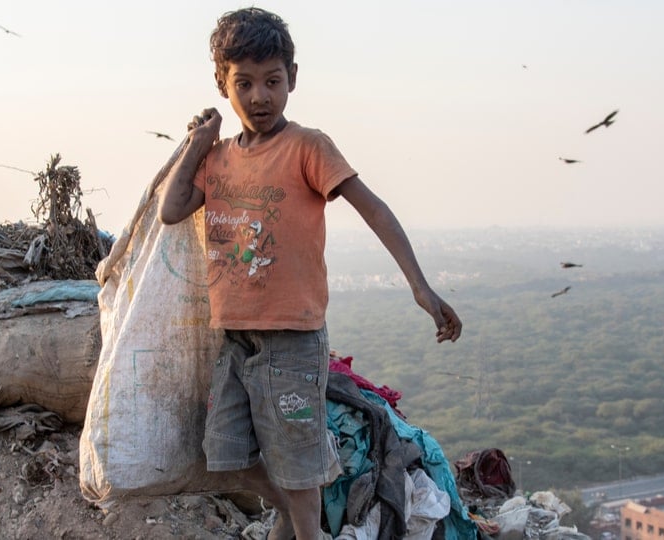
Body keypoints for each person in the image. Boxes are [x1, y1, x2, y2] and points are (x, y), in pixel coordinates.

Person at [158, 7, 461, 539]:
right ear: (221, 85)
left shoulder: (306, 147)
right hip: (237, 338)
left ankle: (304, 524)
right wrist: (197, 143)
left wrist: (420, 285)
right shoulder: (219, 158)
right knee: (223, 455)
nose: (259, 97)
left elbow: (374, 209)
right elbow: (172, 207)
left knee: (298, 475)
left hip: (293, 341)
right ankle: (301, 516)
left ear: (292, 79)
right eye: (244, 83)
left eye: (272, 82)